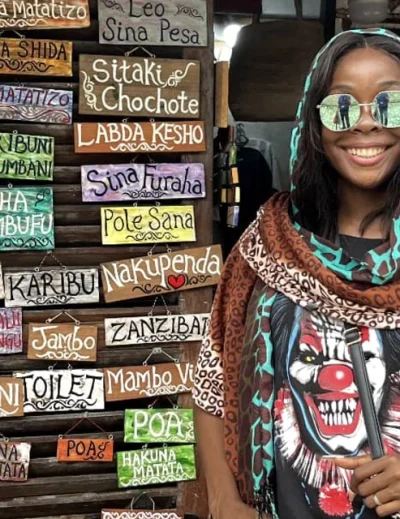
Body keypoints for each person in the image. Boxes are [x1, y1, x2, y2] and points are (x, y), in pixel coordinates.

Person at [194, 28, 400, 519]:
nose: (366, 124)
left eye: (390, 104)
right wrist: (223, 501)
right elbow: (210, 378)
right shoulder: (268, 241)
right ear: (315, 122)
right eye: (342, 106)